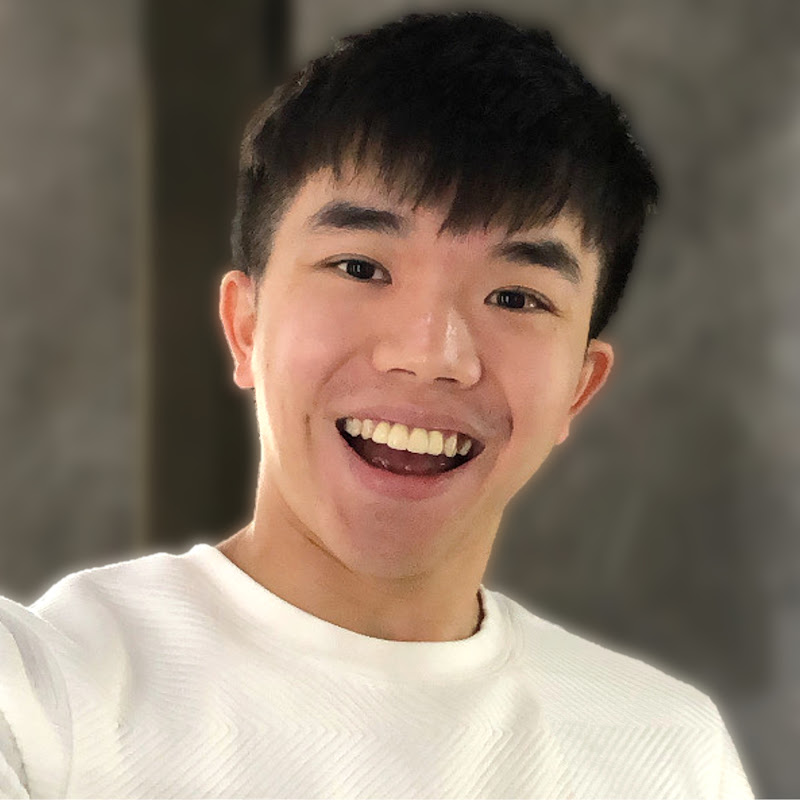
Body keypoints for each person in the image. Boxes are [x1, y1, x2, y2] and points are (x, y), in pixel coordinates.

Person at [0, 11, 752, 799]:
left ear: (578, 388)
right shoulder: (46, 695)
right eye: (360, 267)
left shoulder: (669, 752)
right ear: (246, 328)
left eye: (516, 297)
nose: (431, 354)